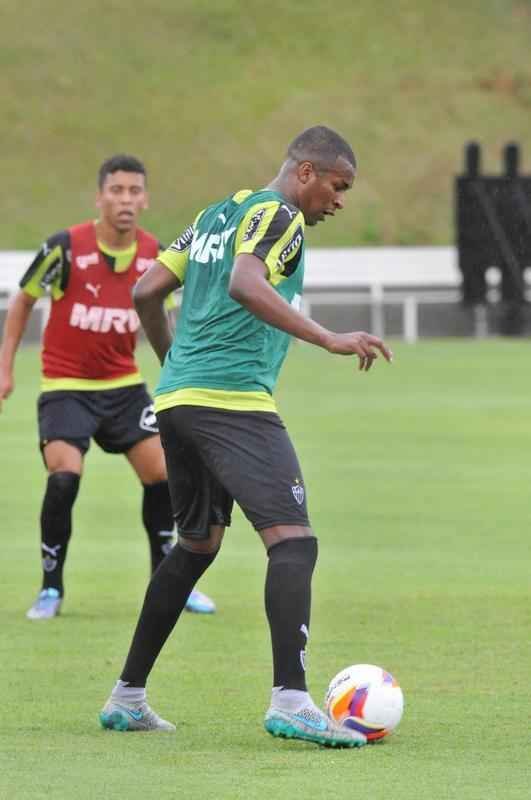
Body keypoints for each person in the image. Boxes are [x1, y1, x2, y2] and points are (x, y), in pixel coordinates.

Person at [99, 127, 392, 746]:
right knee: (294, 542)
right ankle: (290, 699)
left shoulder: (213, 215)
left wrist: (175, 368)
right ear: (306, 172)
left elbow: (147, 290)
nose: (338, 201)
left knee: (196, 546)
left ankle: (126, 697)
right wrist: (331, 338)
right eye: (338, 187)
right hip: (231, 401)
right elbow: (245, 282)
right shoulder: (277, 213)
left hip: (179, 401)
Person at [0, 154, 215, 618]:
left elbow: (168, 317)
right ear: (100, 197)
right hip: (66, 388)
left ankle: (170, 583)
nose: (126, 200)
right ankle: (50, 589)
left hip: (124, 387)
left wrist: (183, 372)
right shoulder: (65, 248)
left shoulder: (156, 254)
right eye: (117, 191)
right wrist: (5, 368)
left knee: (164, 475)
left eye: (134, 191)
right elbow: (22, 302)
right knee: (64, 477)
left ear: (145, 199)